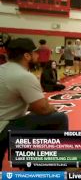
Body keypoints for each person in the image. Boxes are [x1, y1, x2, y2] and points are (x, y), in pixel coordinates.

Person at [0, 38, 68, 171]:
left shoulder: (3, 69)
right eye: (35, 53)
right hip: (4, 126)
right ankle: (55, 166)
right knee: (59, 118)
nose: (38, 56)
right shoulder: (23, 76)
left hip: (5, 119)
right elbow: (43, 108)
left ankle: (29, 161)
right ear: (27, 56)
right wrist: (51, 107)